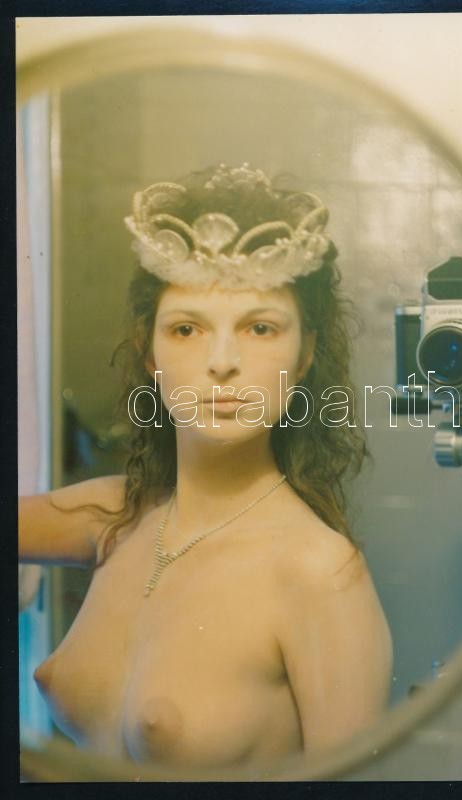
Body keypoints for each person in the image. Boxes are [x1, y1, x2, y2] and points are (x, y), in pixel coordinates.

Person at [18, 163, 393, 778]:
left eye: (260, 327)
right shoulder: (113, 515)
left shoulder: (318, 572)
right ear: (150, 352)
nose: (222, 361)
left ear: (303, 356)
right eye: (187, 328)